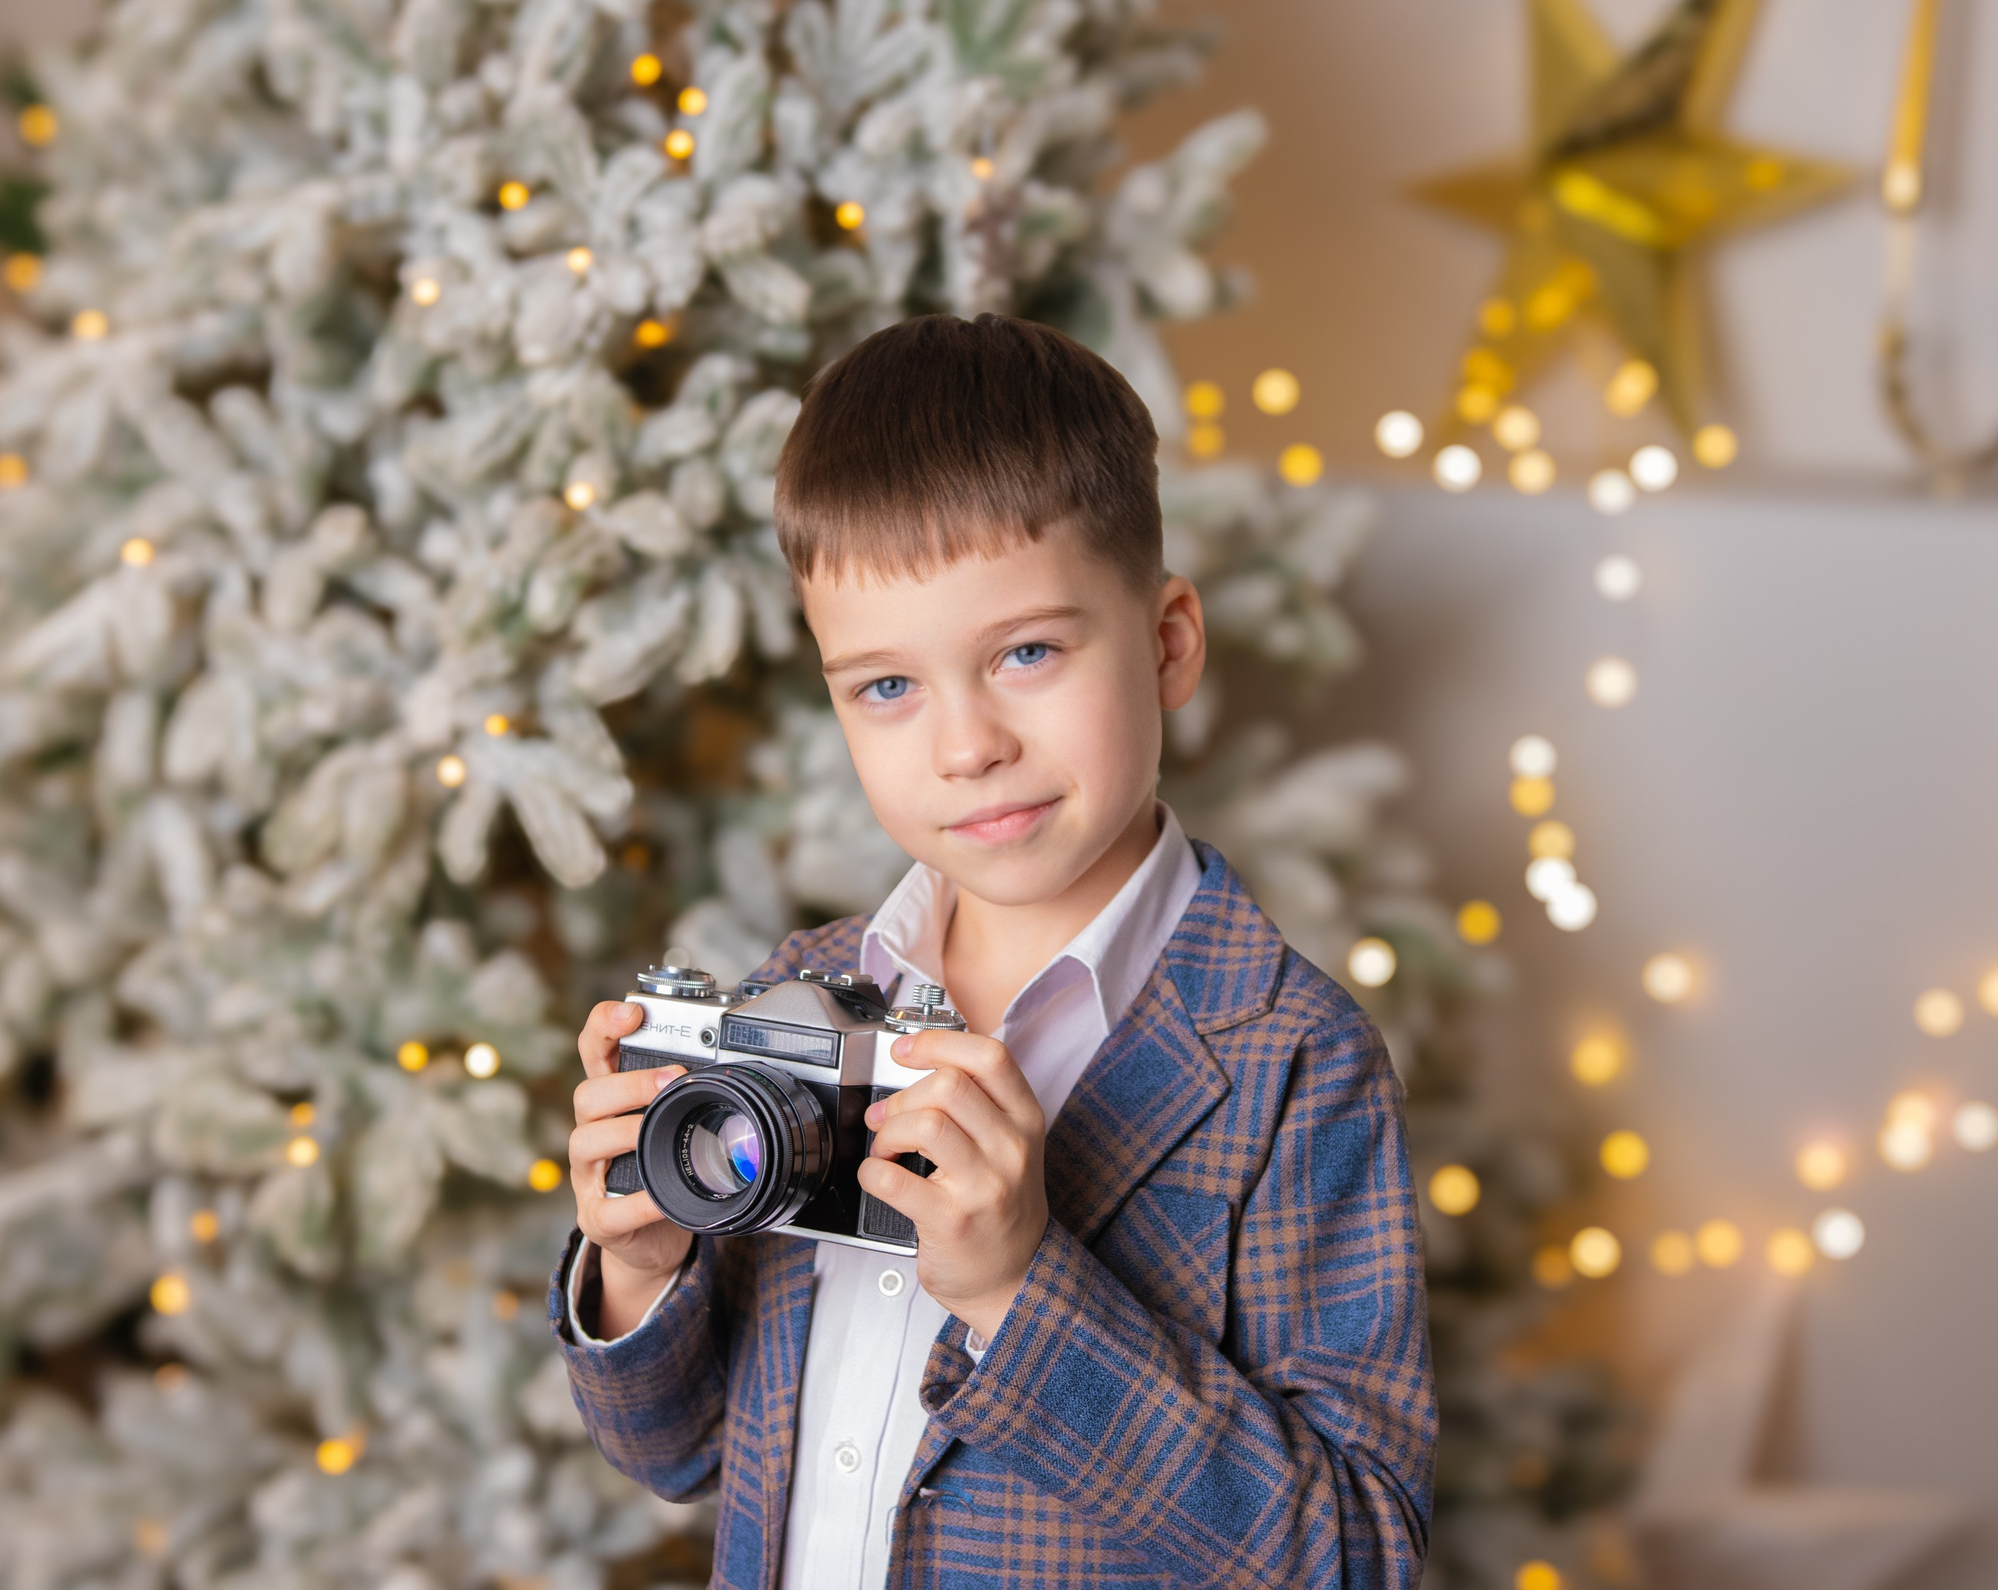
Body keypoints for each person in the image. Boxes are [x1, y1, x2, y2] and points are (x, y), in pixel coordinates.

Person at [551, 313, 1435, 1588]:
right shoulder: (796, 1004)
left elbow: (1357, 1561)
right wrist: (643, 1267)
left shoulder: (1291, 1062)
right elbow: (678, 1452)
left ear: (1168, 643)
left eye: (1026, 653)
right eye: (887, 688)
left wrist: (1024, 1290)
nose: (965, 746)